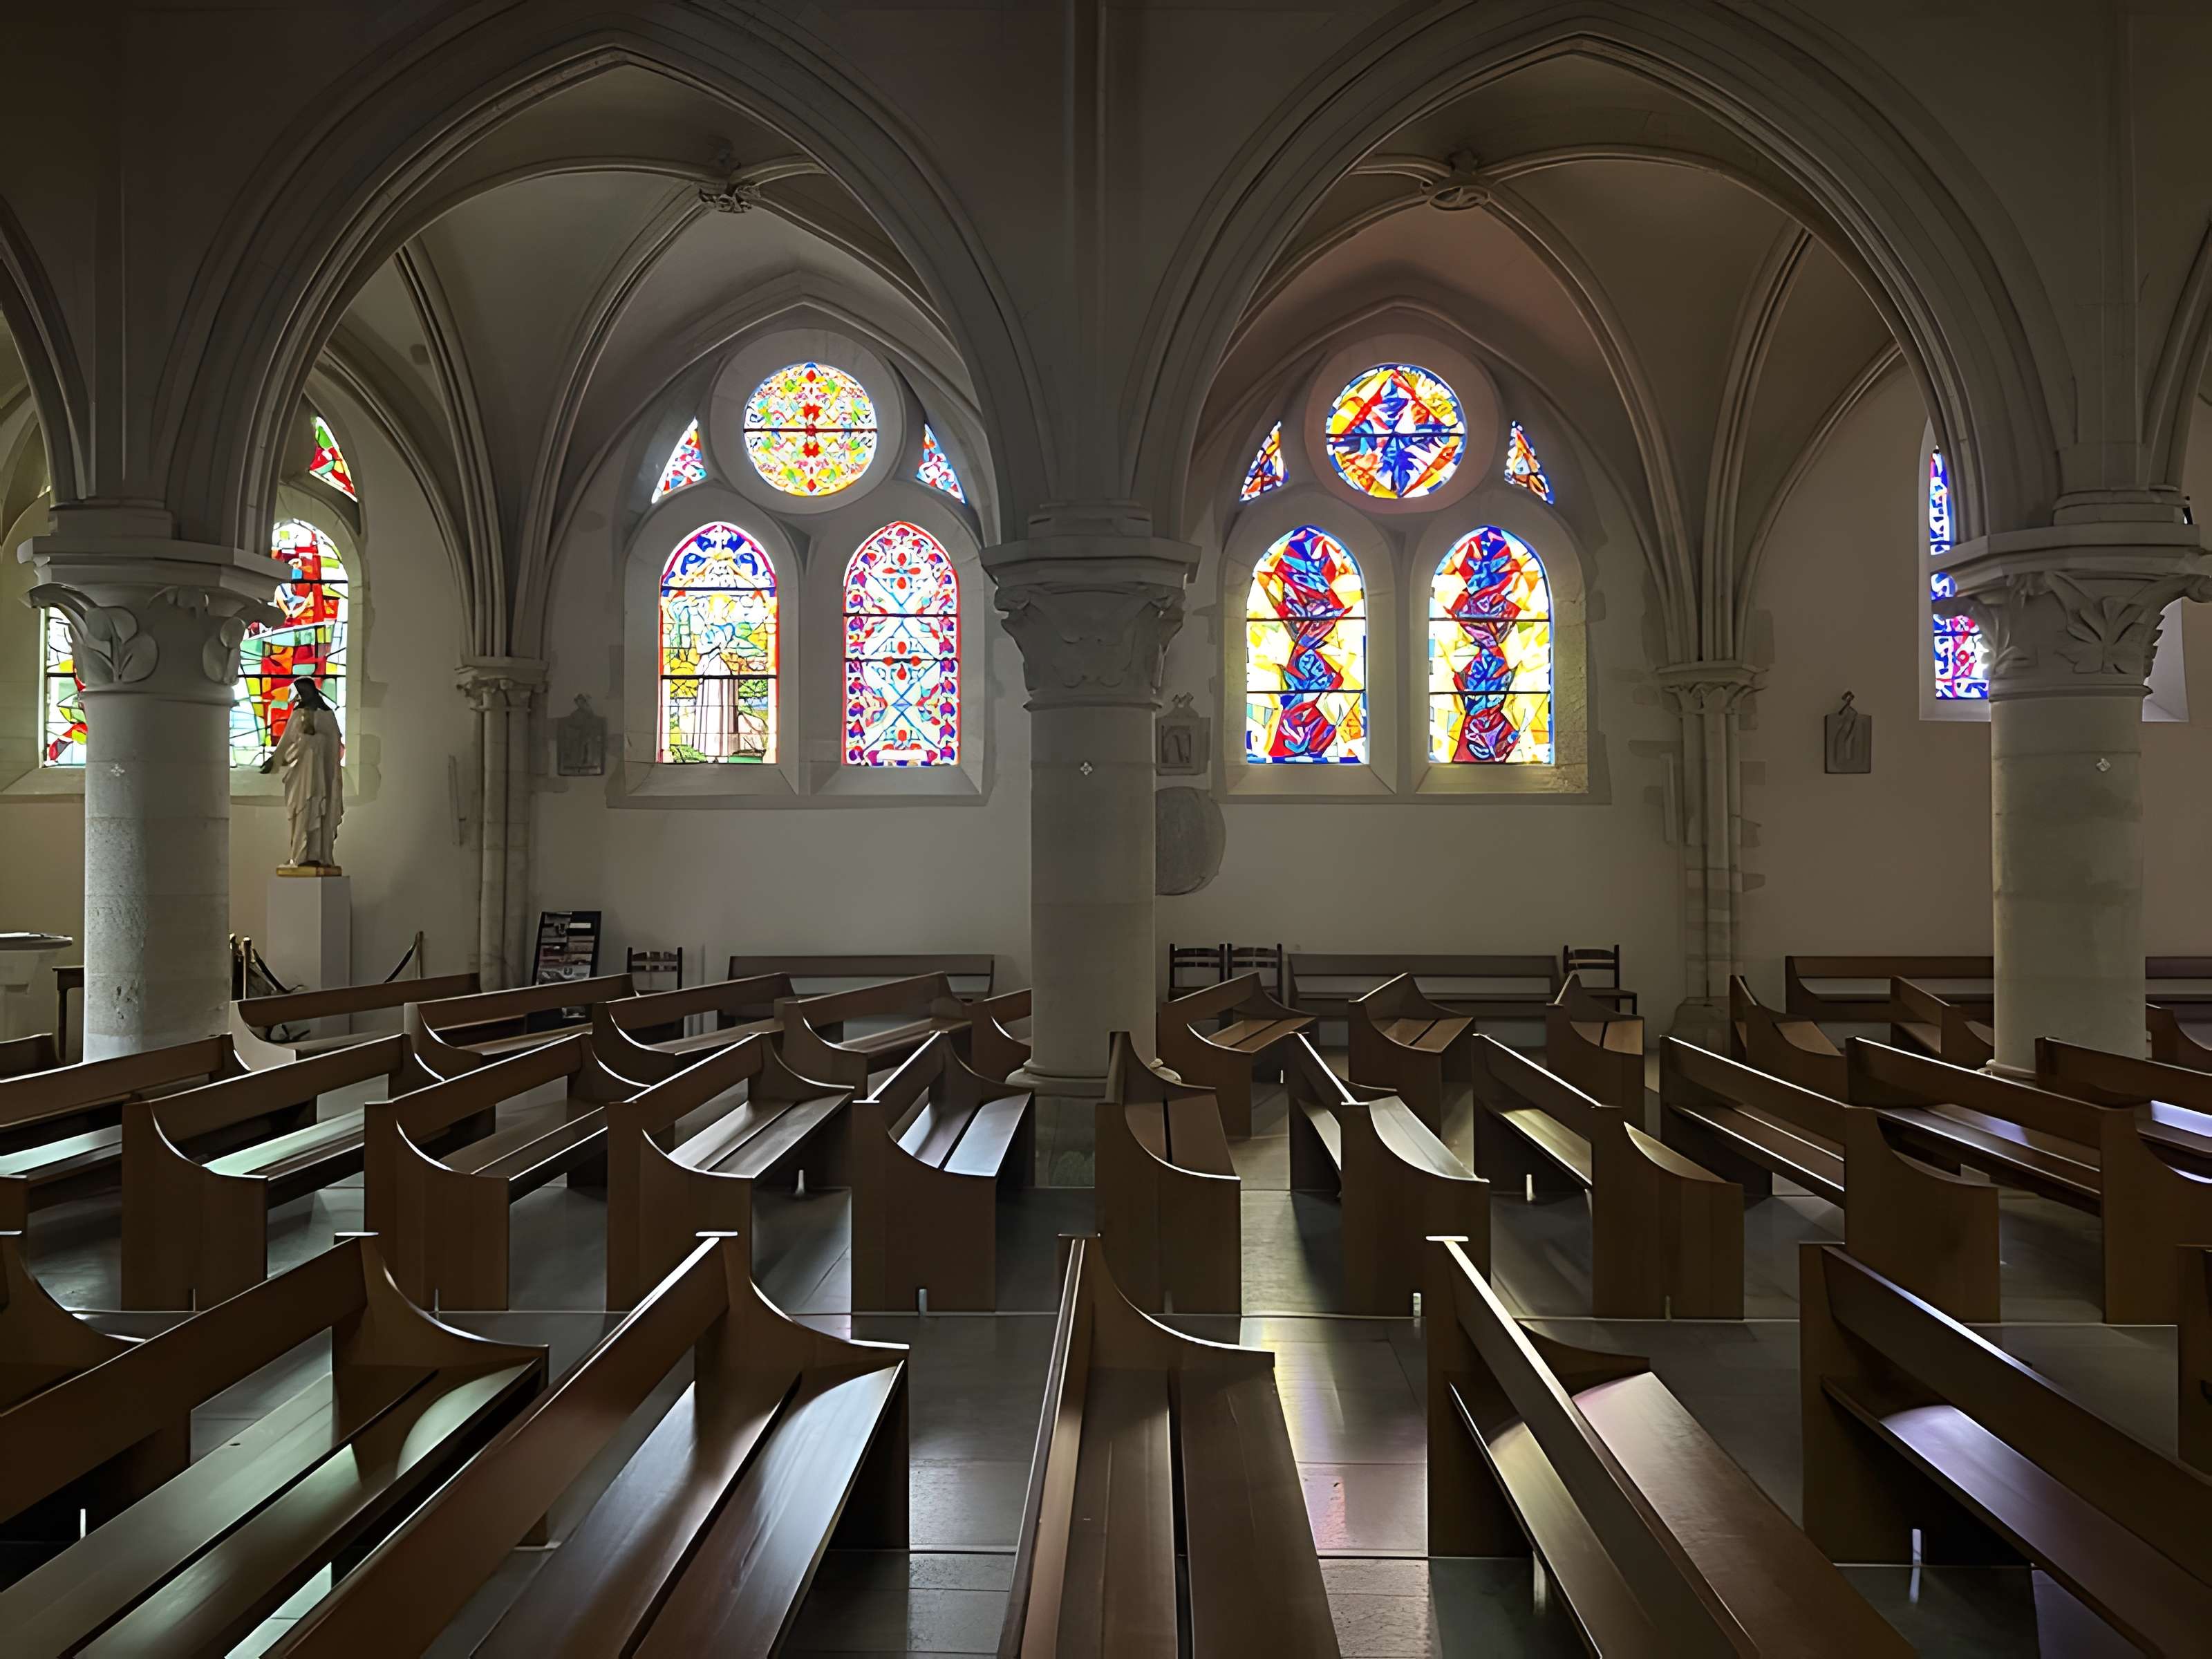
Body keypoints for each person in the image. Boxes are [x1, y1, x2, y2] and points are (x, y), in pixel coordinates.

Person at [267, 676, 344, 868]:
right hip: (300, 774)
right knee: (300, 810)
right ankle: (299, 855)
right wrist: (275, 759)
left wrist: (313, 741)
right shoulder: (298, 713)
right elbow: (286, 741)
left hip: (320, 775)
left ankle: (319, 854)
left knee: (319, 810)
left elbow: (334, 745)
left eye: (304, 692)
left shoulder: (327, 715)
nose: (302, 696)